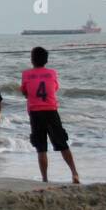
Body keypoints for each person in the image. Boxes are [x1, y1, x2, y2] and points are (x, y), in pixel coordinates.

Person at [21, 46, 80, 184]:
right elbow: (54, 88)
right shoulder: (52, 73)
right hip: (51, 111)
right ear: (46, 60)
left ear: (32, 60)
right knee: (62, 144)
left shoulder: (26, 74)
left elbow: (25, 93)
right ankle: (74, 173)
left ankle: (45, 178)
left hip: (35, 113)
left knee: (41, 148)